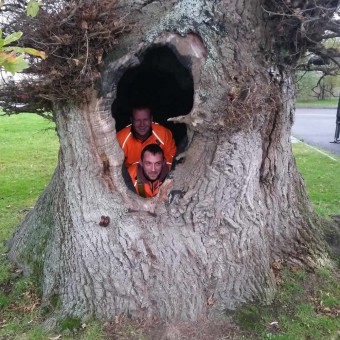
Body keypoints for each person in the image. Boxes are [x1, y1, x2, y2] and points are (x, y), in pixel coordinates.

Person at [117, 106, 176, 171]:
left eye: (145, 120)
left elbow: (173, 160)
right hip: (130, 177)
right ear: (131, 120)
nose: (142, 124)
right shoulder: (120, 139)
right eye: (137, 120)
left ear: (151, 119)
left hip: (158, 174)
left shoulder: (163, 134)